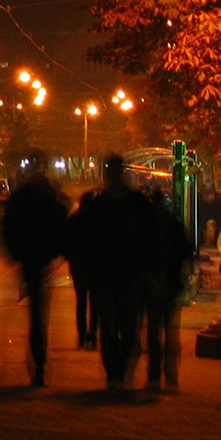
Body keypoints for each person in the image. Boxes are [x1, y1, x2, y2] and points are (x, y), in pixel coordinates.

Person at [87, 155, 157, 390]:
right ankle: (119, 370)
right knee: (127, 326)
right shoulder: (137, 203)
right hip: (129, 274)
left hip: (108, 274)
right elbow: (150, 239)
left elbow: (88, 240)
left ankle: (114, 373)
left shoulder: (99, 204)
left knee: (110, 326)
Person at [0, 149, 68, 386]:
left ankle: (39, 360)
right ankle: (40, 361)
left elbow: (8, 225)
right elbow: (62, 222)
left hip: (30, 257)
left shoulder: (22, 195)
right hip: (42, 256)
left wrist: (14, 253)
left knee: (36, 312)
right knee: (40, 312)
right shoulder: (50, 195)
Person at [146, 189, 192, 391]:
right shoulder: (174, 224)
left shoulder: (146, 226)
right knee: (170, 331)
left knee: (153, 332)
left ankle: (154, 375)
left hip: (152, 285)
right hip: (170, 283)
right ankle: (171, 376)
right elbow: (186, 251)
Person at [65, 190, 98, 350]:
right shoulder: (98, 220)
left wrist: (71, 258)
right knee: (95, 302)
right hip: (95, 266)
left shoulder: (74, 220)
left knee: (81, 301)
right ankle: (93, 334)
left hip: (79, 266)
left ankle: (82, 335)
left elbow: (66, 243)